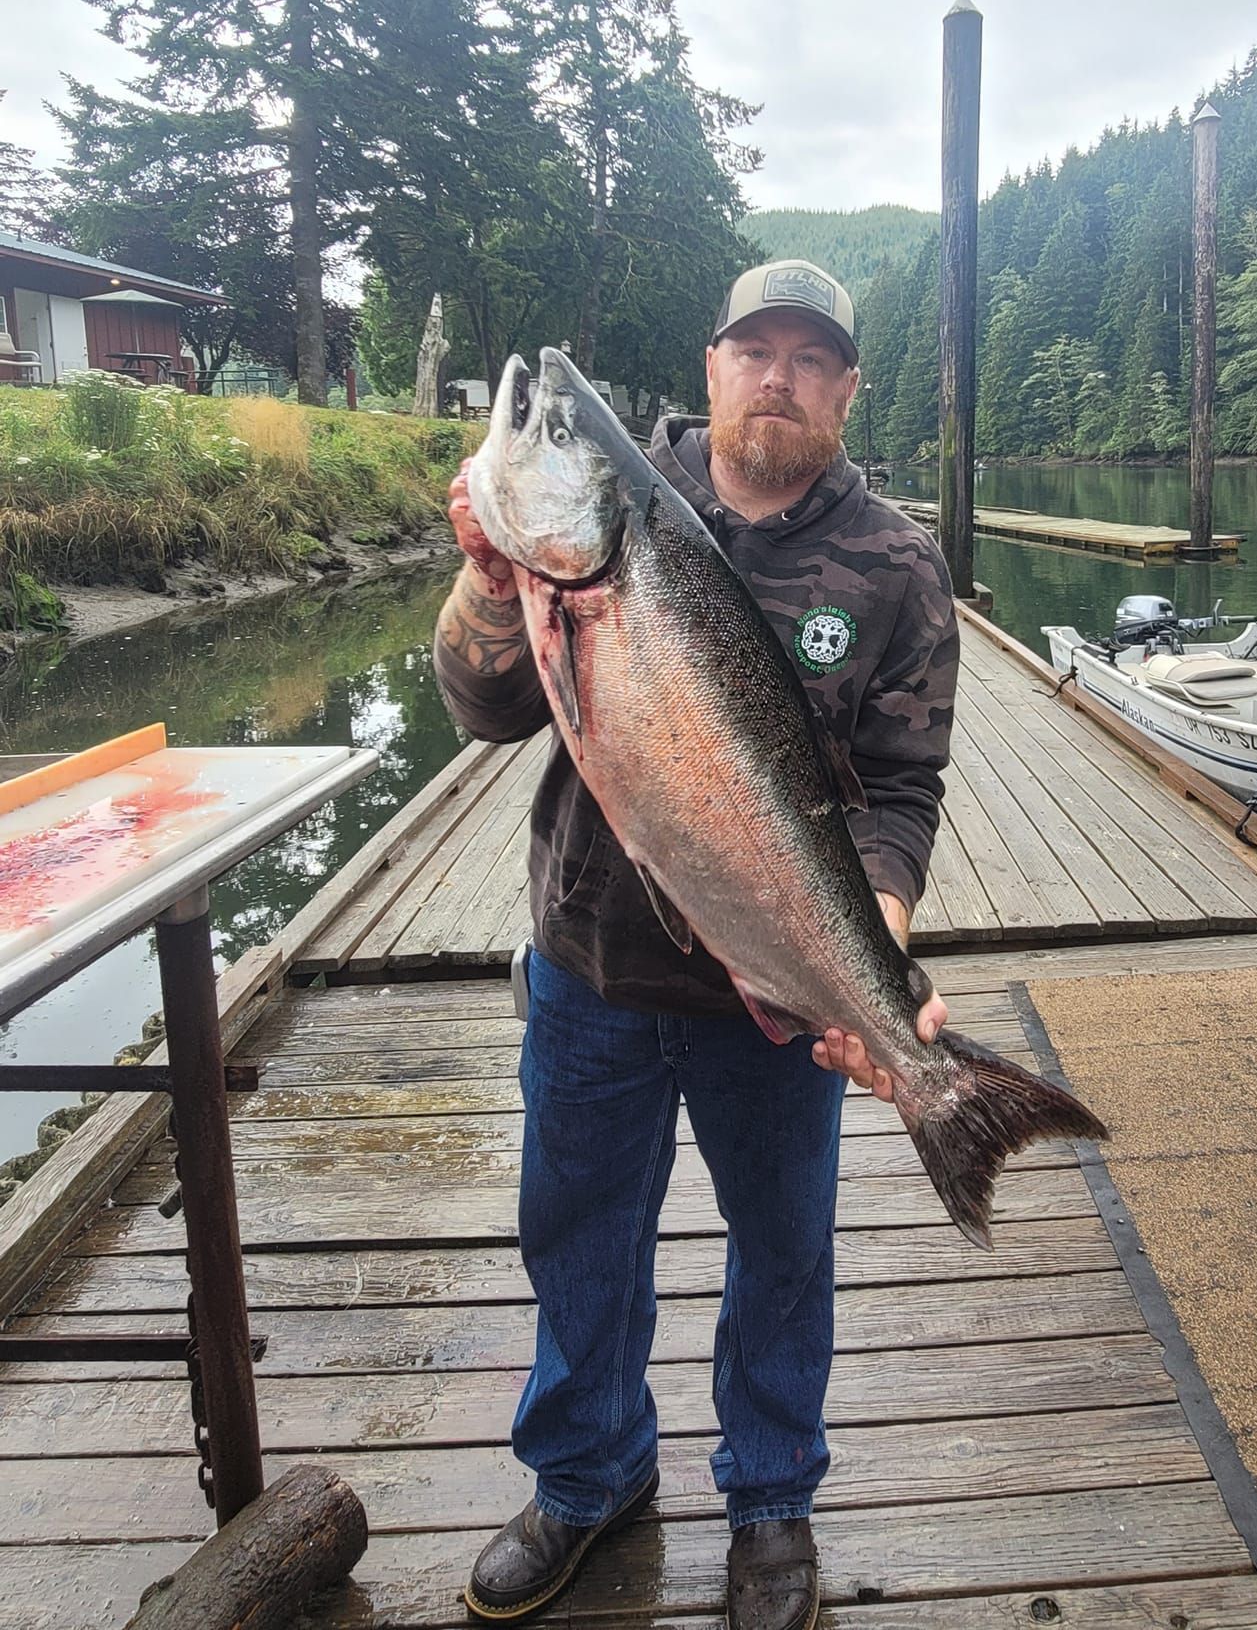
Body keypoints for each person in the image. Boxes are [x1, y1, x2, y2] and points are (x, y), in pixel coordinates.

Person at [434, 260, 960, 1629]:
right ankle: (587, 1475)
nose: (778, 376)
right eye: (755, 350)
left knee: (783, 1248)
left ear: (845, 388)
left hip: (774, 993)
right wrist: (495, 578)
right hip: (591, 961)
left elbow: (902, 788)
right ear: (714, 364)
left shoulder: (897, 563)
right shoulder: (612, 508)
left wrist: (874, 952)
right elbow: (485, 709)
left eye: (810, 357)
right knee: (577, 1235)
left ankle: (772, 1496)